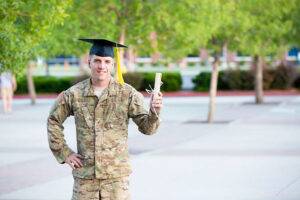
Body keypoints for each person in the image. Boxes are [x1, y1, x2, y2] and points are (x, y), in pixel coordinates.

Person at [47, 38, 163, 200]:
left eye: (107, 61)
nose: (102, 66)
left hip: (116, 180)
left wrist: (154, 111)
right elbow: (53, 120)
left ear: (113, 64)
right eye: (97, 61)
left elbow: (148, 129)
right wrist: (64, 152)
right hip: (86, 178)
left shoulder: (127, 94)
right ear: (89, 62)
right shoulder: (74, 94)